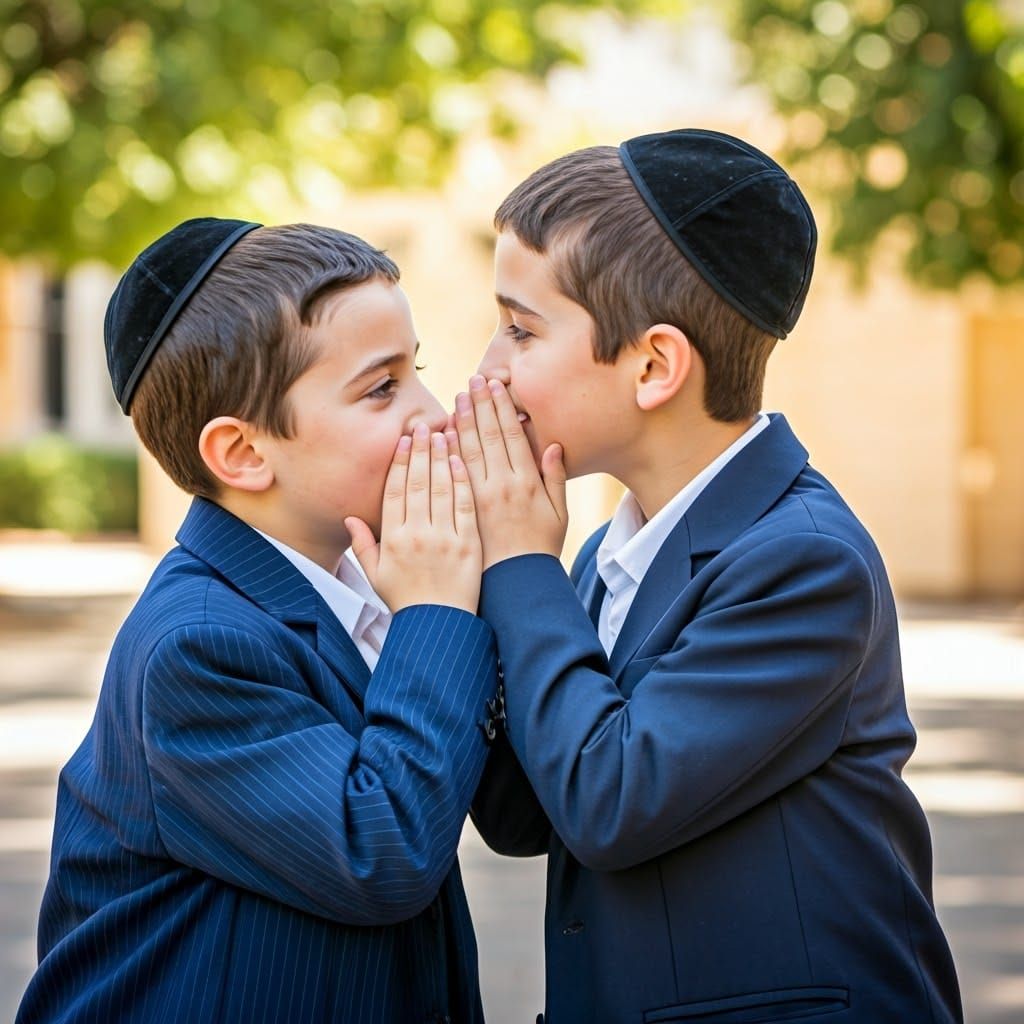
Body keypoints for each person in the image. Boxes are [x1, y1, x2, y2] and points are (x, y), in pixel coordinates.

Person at [449, 130, 963, 1023]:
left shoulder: (803, 563)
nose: (489, 366)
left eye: (520, 329)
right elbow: (527, 817)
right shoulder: (603, 556)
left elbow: (609, 801)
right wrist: (440, 593)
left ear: (654, 366)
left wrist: (519, 563)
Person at [18, 219, 501, 1024]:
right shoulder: (199, 645)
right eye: (382, 389)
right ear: (242, 453)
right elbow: (378, 851)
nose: (433, 411)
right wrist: (438, 611)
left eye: (417, 371)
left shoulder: (368, 580)